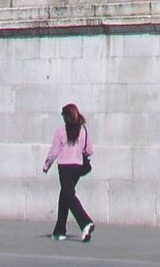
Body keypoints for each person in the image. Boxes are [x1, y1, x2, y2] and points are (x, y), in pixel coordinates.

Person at [41, 101, 95, 242]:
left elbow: (54, 151)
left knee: (69, 196)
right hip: (77, 167)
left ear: (66, 116)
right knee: (65, 195)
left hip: (64, 167)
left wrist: (46, 165)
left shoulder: (61, 130)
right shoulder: (83, 130)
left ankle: (85, 222)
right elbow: (89, 150)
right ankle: (60, 230)